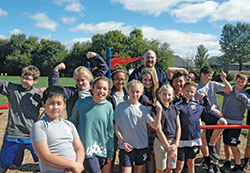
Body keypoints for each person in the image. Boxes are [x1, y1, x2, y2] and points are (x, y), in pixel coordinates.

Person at [30, 86, 85, 173]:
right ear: (44, 104)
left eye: (59, 103)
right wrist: (72, 165)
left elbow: (79, 148)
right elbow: (45, 156)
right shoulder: (40, 126)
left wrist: (78, 165)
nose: (55, 107)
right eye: (51, 103)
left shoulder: (69, 125)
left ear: (64, 105)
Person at [114, 79, 162, 173]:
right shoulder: (120, 107)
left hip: (141, 146)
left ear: (141, 92)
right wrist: (123, 142)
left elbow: (155, 126)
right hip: (125, 147)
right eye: (132, 91)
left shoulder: (144, 109)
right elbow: (116, 128)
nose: (135, 94)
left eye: (137, 92)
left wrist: (159, 111)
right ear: (128, 90)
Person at [0, 65, 42, 173]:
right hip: (13, 134)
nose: (24, 80)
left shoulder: (38, 94)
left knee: (45, 160)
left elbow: (55, 101)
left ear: (35, 80)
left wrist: (47, 92)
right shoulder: (12, 89)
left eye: (28, 79)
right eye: (23, 77)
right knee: (3, 163)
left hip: (32, 135)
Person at [174, 82, 223, 173]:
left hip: (194, 139)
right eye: (187, 91)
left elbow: (207, 109)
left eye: (192, 92)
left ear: (195, 93)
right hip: (181, 139)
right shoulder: (177, 105)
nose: (189, 93)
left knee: (191, 163)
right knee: (180, 164)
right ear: (182, 91)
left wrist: (205, 98)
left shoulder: (197, 105)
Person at [69, 76, 114, 173]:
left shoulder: (108, 106)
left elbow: (110, 129)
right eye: (98, 88)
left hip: (103, 148)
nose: (101, 91)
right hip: (87, 147)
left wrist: (110, 150)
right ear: (92, 89)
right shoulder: (81, 103)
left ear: (108, 92)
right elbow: (72, 123)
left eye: (105, 89)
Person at [196, 66, 231, 173]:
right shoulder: (197, 87)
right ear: (202, 74)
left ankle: (215, 162)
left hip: (214, 114)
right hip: (204, 114)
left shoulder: (213, 84)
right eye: (209, 76)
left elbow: (229, 90)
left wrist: (224, 79)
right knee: (204, 138)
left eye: (211, 76)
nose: (210, 78)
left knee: (217, 138)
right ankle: (208, 161)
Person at [220, 73, 250, 173]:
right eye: (238, 81)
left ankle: (238, 165)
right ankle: (227, 162)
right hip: (225, 120)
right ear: (235, 80)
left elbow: (249, 106)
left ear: (246, 83)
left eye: (243, 82)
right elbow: (217, 89)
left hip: (236, 123)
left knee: (233, 144)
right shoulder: (229, 90)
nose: (240, 83)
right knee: (226, 144)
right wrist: (223, 79)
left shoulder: (245, 95)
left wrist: (244, 99)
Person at [107, 64, 129, 173]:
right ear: (112, 80)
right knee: (111, 152)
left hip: (125, 127)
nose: (119, 82)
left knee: (123, 153)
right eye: (116, 79)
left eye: (122, 79)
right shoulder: (109, 95)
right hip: (112, 127)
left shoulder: (128, 94)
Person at [154, 84, 181, 173]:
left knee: (170, 167)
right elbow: (158, 129)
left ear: (173, 96)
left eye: (169, 95)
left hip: (173, 142)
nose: (166, 97)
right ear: (159, 94)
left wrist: (176, 144)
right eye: (164, 94)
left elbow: (178, 126)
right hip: (161, 142)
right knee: (160, 168)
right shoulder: (156, 109)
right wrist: (167, 146)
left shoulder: (175, 108)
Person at [139, 68, 159, 173]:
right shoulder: (139, 93)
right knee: (142, 153)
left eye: (150, 80)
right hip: (142, 126)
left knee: (152, 154)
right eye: (145, 80)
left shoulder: (156, 93)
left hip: (154, 126)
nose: (147, 82)